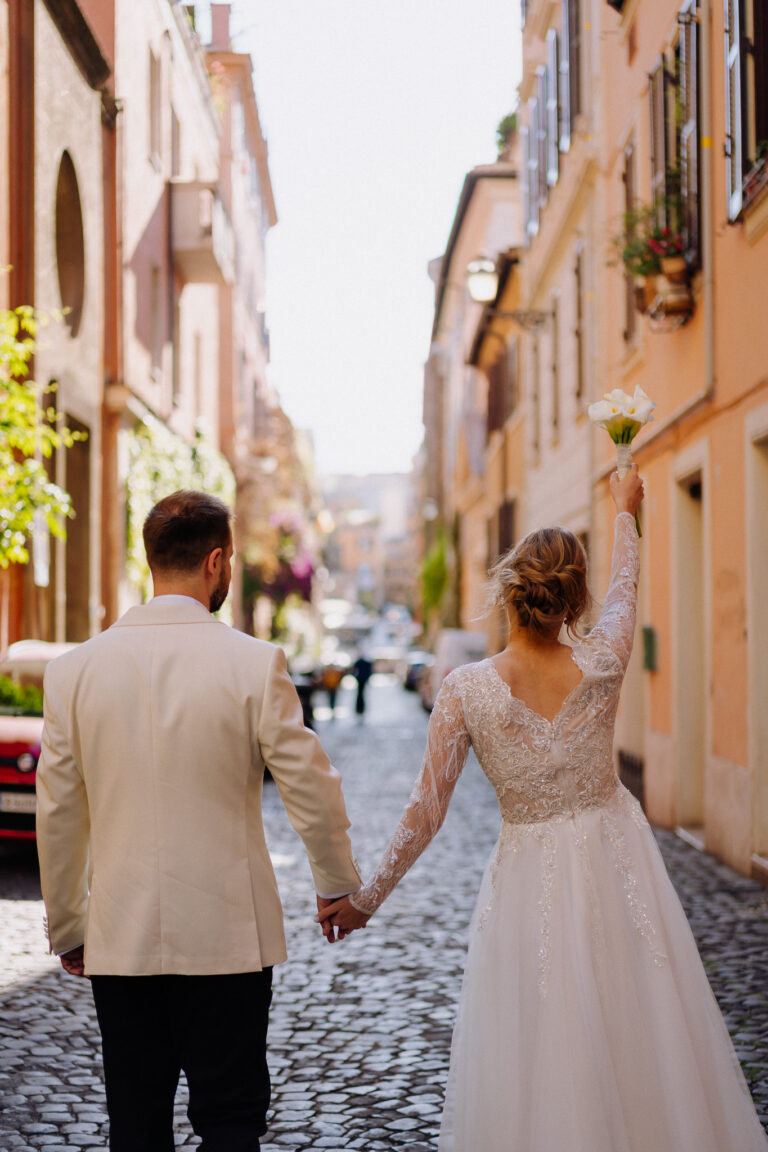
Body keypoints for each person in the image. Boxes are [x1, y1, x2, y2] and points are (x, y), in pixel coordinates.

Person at [318, 467, 768, 1152]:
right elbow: (626, 590)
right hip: (619, 868)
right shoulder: (605, 662)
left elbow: (424, 813)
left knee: (541, 1041)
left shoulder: (464, 689)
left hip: (529, 880)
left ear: (508, 590)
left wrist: (367, 900)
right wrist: (626, 509)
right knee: (638, 1028)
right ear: (573, 596)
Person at [36, 490, 361, 1152]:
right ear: (217, 561)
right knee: (233, 1119)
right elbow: (309, 785)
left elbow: (60, 811)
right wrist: (334, 883)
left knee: (136, 1122)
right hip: (228, 938)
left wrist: (70, 924)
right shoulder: (252, 662)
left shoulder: (73, 673)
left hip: (121, 938)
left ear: (150, 559)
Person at [352, 651, 373, 718]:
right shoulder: (363, 662)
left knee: (360, 694)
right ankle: (360, 709)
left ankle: (360, 709)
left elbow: (354, 671)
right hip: (361, 679)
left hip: (361, 679)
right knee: (361, 694)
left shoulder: (362, 662)